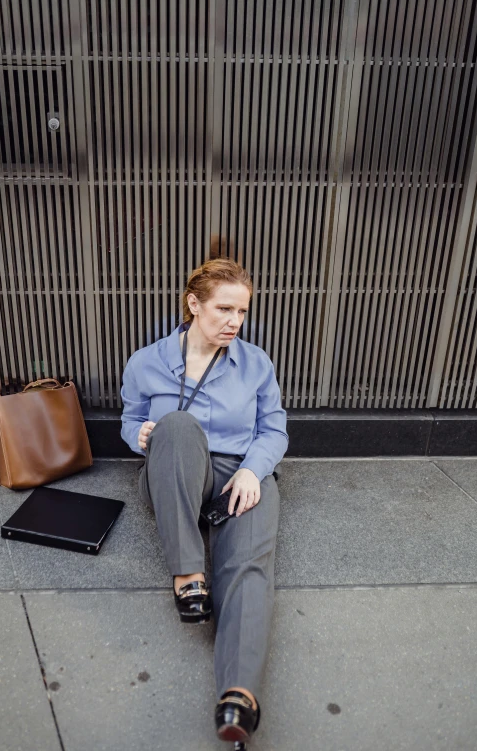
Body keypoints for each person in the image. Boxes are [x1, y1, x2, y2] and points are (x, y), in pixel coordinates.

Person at [121, 257, 288, 748]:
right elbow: (130, 420)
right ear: (193, 304)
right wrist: (142, 435)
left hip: (237, 473)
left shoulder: (256, 363)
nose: (234, 321)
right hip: (173, 472)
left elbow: (273, 429)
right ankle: (188, 573)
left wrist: (252, 471)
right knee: (174, 424)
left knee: (249, 566)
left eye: (242, 311)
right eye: (223, 309)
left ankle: (238, 696)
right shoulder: (146, 361)